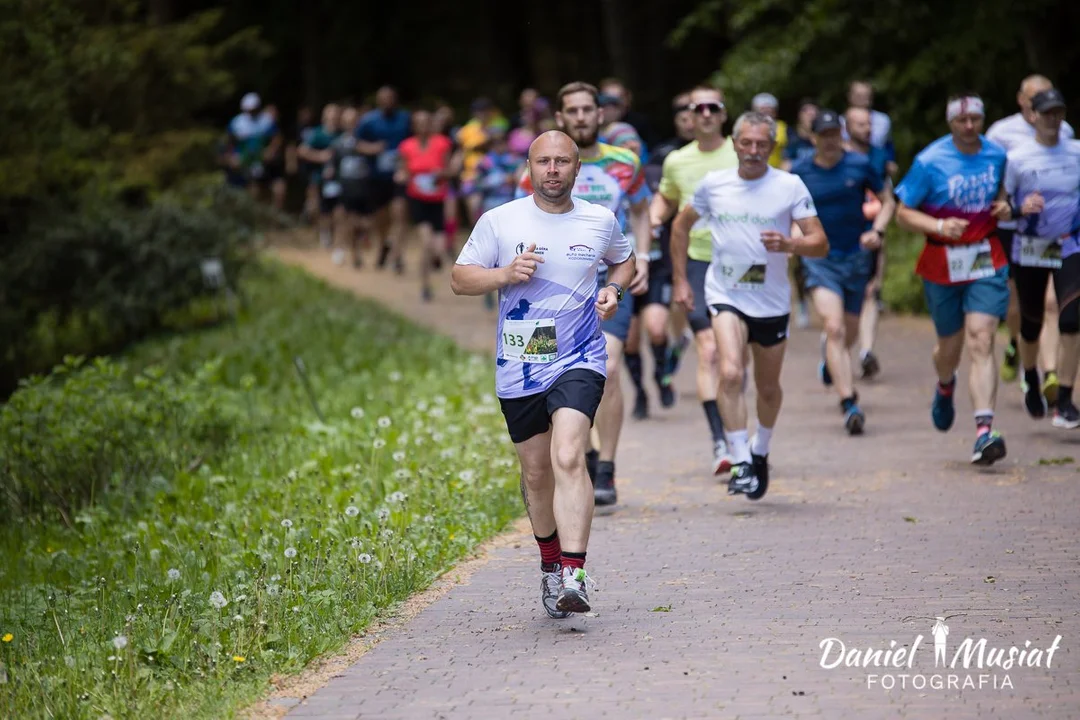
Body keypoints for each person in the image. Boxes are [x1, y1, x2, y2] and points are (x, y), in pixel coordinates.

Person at [450, 130, 637, 616]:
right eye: (543, 162)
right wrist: (503, 274)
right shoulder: (500, 220)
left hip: (579, 357)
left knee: (570, 454)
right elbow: (459, 277)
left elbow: (625, 260)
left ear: (578, 169)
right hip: (520, 365)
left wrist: (614, 292)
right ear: (528, 169)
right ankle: (550, 565)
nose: (553, 170)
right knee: (535, 473)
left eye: (562, 162)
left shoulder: (599, 220)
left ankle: (575, 574)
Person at [671, 111, 828, 497]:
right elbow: (680, 226)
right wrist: (679, 279)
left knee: (768, 387)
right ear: (735, 144)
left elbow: (820, 242)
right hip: (726, 294)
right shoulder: (714, 185)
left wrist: (790, 244)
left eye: (762, 144)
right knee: (729, 372)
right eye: (747, 143)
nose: (754, 151)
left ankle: (760, 450)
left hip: (771, 301)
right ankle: (740, 460)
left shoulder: (789, 185)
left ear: (772, 147)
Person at [517, 82, 651, 508]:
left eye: (587, 109)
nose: (580, 117)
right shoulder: (540, 167)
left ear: (600, 114)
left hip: (609, 279)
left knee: (609, 366)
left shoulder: (625, 163)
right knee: (551, 373)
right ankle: (583, 452)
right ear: (560, 118)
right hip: (555, 287)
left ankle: (606, 467)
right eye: (571, 110)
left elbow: (644, 212)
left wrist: (641, 256)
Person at [895, 92, 1011, 465]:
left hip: (986, 258)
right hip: (942, 262)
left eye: (975, 119)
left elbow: (1004, 197)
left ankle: (983, 430)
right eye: (961, 121)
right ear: (950, 123)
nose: (969, 127)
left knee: (982, 337)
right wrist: (939, 224)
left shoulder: (996, 155)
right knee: (950, 348)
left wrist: (1006, 206)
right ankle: (945, 386)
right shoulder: (930, 161)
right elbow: (902, 213)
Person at [651, 84, 739, 475]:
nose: (703, 113)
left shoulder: (744, 152)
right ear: (688, 115)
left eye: (711, 107)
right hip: (697, 260)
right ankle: (721, 441)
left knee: (737, 360)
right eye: (695, 108)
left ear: (722, 114)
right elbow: (666, 199)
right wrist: (651, 220)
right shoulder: (677, 161)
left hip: (743, 262)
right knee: (710, 352)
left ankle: (739, 430)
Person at [791, 109, 895, 434]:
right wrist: (796, 233)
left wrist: (876, 231)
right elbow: (787, 208)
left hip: (855, 257)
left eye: (835, 133)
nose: (830, 140)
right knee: (834, 327)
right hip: (819, 258)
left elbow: (888, 201)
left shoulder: (860, 165)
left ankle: (831, 360)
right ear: (813, 138)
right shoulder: (801, 170)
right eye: (824, 135)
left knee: (848, 333)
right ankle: (849, 402)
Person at [987, 75, 1076, 395]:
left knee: (1056, 304)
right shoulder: (1001, 134)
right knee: (1021, 306)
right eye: (1035, 97)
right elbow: (995, 185)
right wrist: (1014, 208)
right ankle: (1018, 345)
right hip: (1015, 231)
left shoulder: (1066, 136)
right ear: (1023, 101)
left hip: (1058, 235)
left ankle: (1051, 373)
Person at [625, 92, 695, 420]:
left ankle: (660, 376)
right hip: (620, 271)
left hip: (656, 267)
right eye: (622, 147)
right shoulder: (600, 183)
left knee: (656, 328)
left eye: (634, 146)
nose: (630, 152)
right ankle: (639, 391)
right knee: (628, 340)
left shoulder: (656, 174)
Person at [846, 106, 893, 379]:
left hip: (872, 230)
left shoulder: (879, 156)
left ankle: (866, 351)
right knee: (844, 297)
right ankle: (833, 345)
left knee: (871, 291)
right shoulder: (836, 154)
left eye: (868, 124)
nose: (867, 129)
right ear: (847, 126)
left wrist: (880, 229)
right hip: (844, 232)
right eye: (860, 124)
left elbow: (887, 194)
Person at [397, 110, 456, 302]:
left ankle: (434, 261)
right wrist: (402, 176)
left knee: (438, 249)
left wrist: (441, 174)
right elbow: (403, 171)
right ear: (413, 125)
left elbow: (450, 171)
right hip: (417, 200)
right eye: (418, 122)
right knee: (425, 243)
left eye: (426, 122)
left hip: (437, 200)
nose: (422, 126)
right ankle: (425, 285)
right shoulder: (406, 146)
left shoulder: (442, 143)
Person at [355, 87, 412, 272]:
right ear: (378, 101)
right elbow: (357, 144)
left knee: (400, 215)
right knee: (382, 218)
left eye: (391, 98)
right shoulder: (369, 121)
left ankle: (397, 255)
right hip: (377, 177)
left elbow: (415, 142)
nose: (387, 102)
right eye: (384, 99)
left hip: (399, 176)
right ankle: (383, 245)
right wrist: (373, 149)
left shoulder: (405, 119)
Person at [325, 106, 372, 268]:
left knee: (365, 223)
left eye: (353, 121)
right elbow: (332, 164)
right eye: (347, 121)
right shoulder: (338, 144)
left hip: (365, 189)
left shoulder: (366, 142)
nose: (350, 124)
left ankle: (360, 244)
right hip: (347, 189)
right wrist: (329, 172)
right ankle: (354, 253)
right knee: (349, 221)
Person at [297, 103, 342, 248]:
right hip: (318, 176)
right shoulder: (316, 133)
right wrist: (321, 156)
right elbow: (302, 150)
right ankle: (322, 231)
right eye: (331, 115)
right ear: (325, 117)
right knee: (318, 206)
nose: (333, 118)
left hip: (338, 178)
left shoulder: (342, 134)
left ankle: (334, 233)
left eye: (336, 115)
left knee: (336, 207)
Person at [843, 80, 897, 177]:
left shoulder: (883, 120)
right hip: (849, 170)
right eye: (858, 95)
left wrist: (890, 160)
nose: (868, 129)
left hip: (877, 166)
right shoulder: (839, 122)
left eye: (866, 95)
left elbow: (888, 143)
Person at [751, 93, 788, 168]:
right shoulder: (749, 127)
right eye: (762, 110)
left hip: (777, 169)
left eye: (769, 110)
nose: (766, 113)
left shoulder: (781, 126)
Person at [782, 99, 818, 171]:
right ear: (799, 115)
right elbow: (785, 165)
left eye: (814, 113)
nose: (811, 115)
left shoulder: (825, 139)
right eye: (806, 112)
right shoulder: (791, 138)